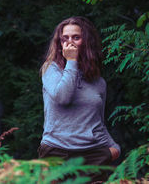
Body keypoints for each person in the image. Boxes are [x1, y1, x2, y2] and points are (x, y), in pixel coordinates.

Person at [38, 16, 120, 182]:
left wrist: (114, 148)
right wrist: (72, 61)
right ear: (59, 43)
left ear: (87, 41)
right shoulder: (50, 70)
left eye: (76, 37)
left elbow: (98, 121)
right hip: (56, 152)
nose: (70, 42)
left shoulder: (98, 81)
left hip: (93, 154)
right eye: (65, 38)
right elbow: (63, 97)